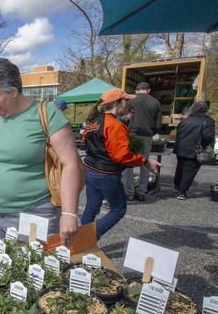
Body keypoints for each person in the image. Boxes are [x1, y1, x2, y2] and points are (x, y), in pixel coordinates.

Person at [0, 58, 81, 247]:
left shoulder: (47, 113)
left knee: (34, 271)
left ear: (13, 91)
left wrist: (69, 214)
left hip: (33, 213)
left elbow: (69, 164)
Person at [81, 89, 162, 240]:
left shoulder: (92, 122)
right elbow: (121, 155)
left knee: (91, 208)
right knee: (118, 209)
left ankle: (83, 244)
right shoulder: (115, 125)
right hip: (107, 174)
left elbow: (86, 142)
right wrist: (144, 160)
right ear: (117, 104)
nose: (128, 104)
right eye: (126, 101)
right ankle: (87, 240)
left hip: (90, 170)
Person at [122, 82, 162, 202]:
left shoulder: (130, 100)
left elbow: (123, 117)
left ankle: (129, 192)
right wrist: (152, 132)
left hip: (130, 134)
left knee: (128, 163)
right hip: (146, 135)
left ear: (136, 90)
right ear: (148, 90)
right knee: (145, 162)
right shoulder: (155, 102)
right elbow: (158, 125)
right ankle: (141, 192)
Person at [173, 101, 216, 200]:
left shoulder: (185, 120)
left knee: (180, 167)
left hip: (181, 147)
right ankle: (182, 192)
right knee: (190, 170)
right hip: (195, 148)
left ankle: (176, 186)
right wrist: (210, 145)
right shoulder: (207, 120)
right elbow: (208, 136)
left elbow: (179, 132)